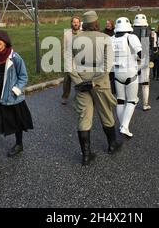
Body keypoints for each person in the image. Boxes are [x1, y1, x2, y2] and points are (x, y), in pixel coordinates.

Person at [70, 10, 122, 166]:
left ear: (83, 24)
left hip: (81, 81)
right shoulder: (105, 39)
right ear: (97, 23)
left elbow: (68, 64)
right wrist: (94, 81)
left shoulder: (74, 40)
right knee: (106, 112)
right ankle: (112, 145)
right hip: (100, 82)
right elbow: (107, 65)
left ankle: (86, 155)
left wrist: (79, 81)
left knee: (84, 117)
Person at [0, 30, 33, 168]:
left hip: (11, 97)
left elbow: (23, 77)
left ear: (5, 41)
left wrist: (15, 90)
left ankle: (19, 144)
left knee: (17, 122)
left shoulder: (15, 57)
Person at [111, 17, 142, 138]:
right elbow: (141, 54)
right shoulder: (131, 37)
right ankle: (124, 126)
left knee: (120, 100)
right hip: (130, 72)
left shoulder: (111, 39)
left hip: (117, 72)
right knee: (132, 100)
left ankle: (123, 126)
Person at [132, 14, 152, 111]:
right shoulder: (147, 31)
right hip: (144, 58)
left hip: (132, 59)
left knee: (133, 81)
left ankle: (133, 101)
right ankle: (145, 104)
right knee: (145, 83)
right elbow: (146, 48)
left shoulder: (130, 31)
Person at [61, 16, 81, 105]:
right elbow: (64, 48)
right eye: (74, 22)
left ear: (79, 23)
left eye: (77, 22)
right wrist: (66, 60)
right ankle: (65, 96)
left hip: (80, 61)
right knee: (67, 80)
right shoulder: (66, 34)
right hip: (69, 60)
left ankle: (79, 97)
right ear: (71, 23)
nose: (76, 24)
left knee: (80, 80)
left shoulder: (83, 33)